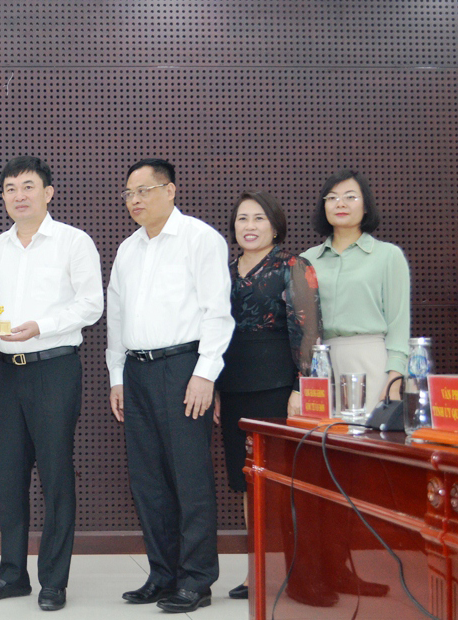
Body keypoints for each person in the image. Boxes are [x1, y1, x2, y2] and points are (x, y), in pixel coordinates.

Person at [0, 156, 104, 612]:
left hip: (55, 367)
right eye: (11, 189)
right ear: (3, 198)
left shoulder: (73, 242)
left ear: (48, 192)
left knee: (56, 474)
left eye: (28, 186)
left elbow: (91, 304)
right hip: (8, 372)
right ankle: (12, 575)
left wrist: (41, 325)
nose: (19, 195)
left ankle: (53, 580)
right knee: (10, 476)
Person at [106, 159, 233, 613]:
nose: (135, 200)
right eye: (129, 193)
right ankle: (162, 574)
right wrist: (117, 376)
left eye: (145, 190)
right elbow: (116, 318)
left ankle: (196, 579)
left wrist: (205, 374)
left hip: (184, 368)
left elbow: (218, 312)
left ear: (171, 190)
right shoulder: (127, 250)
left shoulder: (200, 239)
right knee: (148, 480)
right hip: (137, 372)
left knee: (189, 477)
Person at [213, 191, 321, 600]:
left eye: (258, 218)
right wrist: (217, 389)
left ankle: (299, 571)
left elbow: (310, 332)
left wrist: (301, 388)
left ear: (275, 226)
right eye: (242, 219)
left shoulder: (294, 266)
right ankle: (256, 571)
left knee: (284, 482)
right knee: (248, 482)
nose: (250, 226)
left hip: (279, 387)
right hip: (234, 387)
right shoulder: (223, 271)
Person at [300, 169, 410, 413]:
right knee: (322, 443)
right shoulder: (307, 260)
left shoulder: (388, 256)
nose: (340, 203)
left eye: (350, 197)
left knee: (367, 442)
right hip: (320, 364)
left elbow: (398, 324)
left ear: (366, 206)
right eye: (332, 197)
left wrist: (394, 378)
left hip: (370, 359)